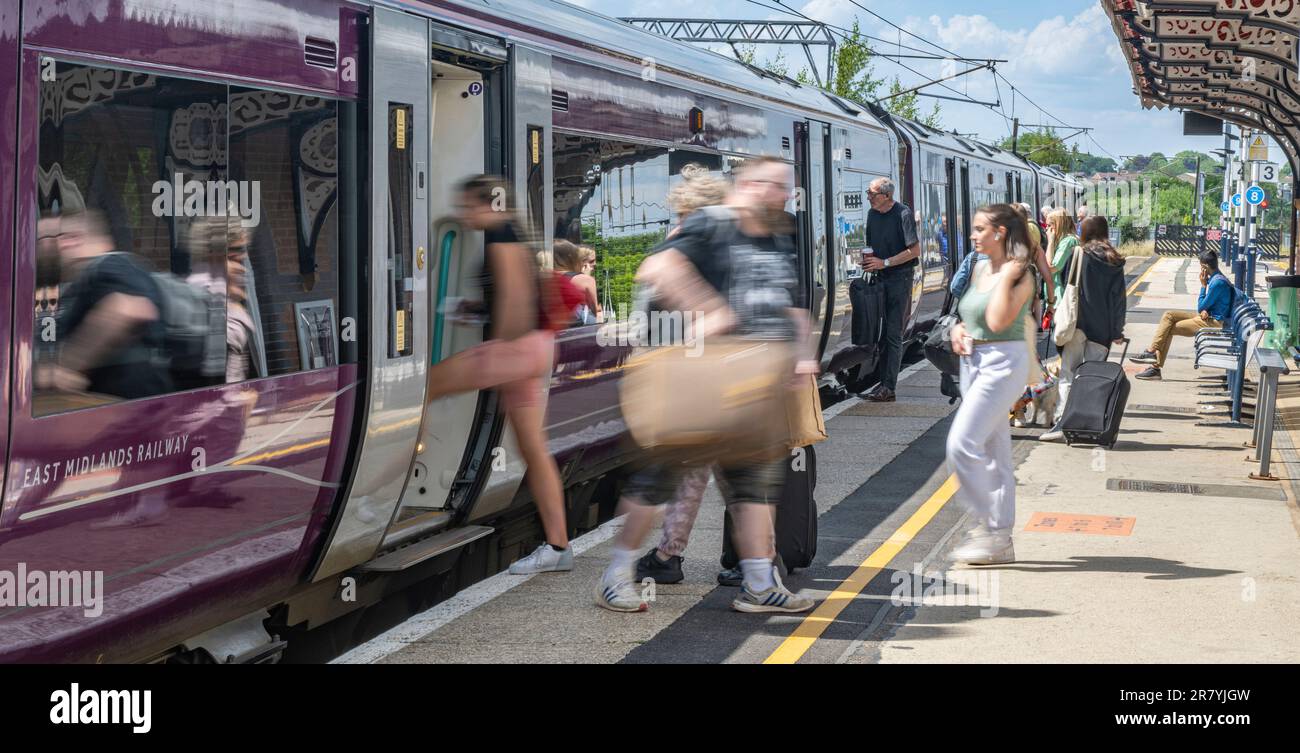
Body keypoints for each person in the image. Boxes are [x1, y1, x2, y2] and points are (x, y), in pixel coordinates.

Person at [597, 156, 817, 613]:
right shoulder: (712, 225)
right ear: (751, 185)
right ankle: (616, 574)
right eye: (778, 187)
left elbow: (788, 302)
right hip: (697, 381)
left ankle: (759, 582)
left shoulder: (775, 238)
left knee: (754, 485)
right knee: (658, 480)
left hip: (752, 387)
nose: (785, 195)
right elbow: (658, 268)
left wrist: (801, 354)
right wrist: (709, 309)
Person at [424, 175, 572, 573]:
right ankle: (558, 548)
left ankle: (373, 500)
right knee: (533, 449)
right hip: (537, 348)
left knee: (420, 391)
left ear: (490, 205)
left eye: (467, 206)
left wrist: (496, 352)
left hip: (516, 351)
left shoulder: (501, 234)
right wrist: (471, 311)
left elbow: (515, 298)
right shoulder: (514, 234)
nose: (462, 214)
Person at [633, 163, 732, 587]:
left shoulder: (681, 248)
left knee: (679, 470)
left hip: (685, 371)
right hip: (721, 372)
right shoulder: (730, 246)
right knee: (720, 471)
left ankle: (664, 555)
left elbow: (654, 317)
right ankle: (748, 562)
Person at [946, 204, 1036, 565]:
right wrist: (958, 328)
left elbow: (998, 321)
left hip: (1003, 363)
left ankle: (985, 528)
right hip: (974, 362)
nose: (973, 236)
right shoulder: (980, 267)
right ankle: (1000, 537)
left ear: (1000, 233)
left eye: (980, 229)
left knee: (962, 444)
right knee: (995, 451)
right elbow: (968, 313)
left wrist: (1006, 275)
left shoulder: (1019, 274)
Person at [35, 210, 172, 401]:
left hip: (131, 411)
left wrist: (63, 368)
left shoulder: (111, 264)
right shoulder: (78, 283)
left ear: (70, 240)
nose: (36, 250)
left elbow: (130, 308)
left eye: (41, 241)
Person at [1040, 218, 1127, 441]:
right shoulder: (1114, 260)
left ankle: (1062, 423)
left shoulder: (1078, 254)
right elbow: (1118, 300)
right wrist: (1117, 331)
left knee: (1069, 374)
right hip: (1103, 330)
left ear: (1085, 232)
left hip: (1075, 325)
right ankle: (1091, 424)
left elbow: (1066, 283)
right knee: (1094, 377)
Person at [860, 177, 920, 403]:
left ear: (886, 196)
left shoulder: (903, 214)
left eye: (872, 193)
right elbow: (872, 244)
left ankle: (888, 387)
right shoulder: (872, 214)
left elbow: (914, 250)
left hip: (899, 278)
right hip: (879, 278)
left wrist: (884, 262)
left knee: (893, 333)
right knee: (878, 332)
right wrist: (867, 259)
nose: (868, 197)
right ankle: (881, 381)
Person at [1131, 249, 1233, 380]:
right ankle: (1152, 354)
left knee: (1168, 329)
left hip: (1215, 322)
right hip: (1209, 316)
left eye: (1200, 266)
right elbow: (1210, 305)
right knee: (1169, 315)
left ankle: (1154, 365)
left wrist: (1203, 287)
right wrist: (1206, 309)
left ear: (1205, 267)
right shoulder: (1217, 278)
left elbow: (1201, 306)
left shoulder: (1216, 282)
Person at [552, 240, 601, 326]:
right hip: (579, 330)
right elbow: (595, 311)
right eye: (591, 261)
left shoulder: (551, 276)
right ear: (581, 261)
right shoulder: (586, 280)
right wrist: (586, 277)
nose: (595, 264)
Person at [1045, 208, 1078, 305]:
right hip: (1055, 295)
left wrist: (1050, 242)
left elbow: (1050, 268)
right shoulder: (1062, 241)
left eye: (1049, 225)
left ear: (1059, 224)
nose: (1046, 229)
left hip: (1061, 296)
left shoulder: (1068, 241)